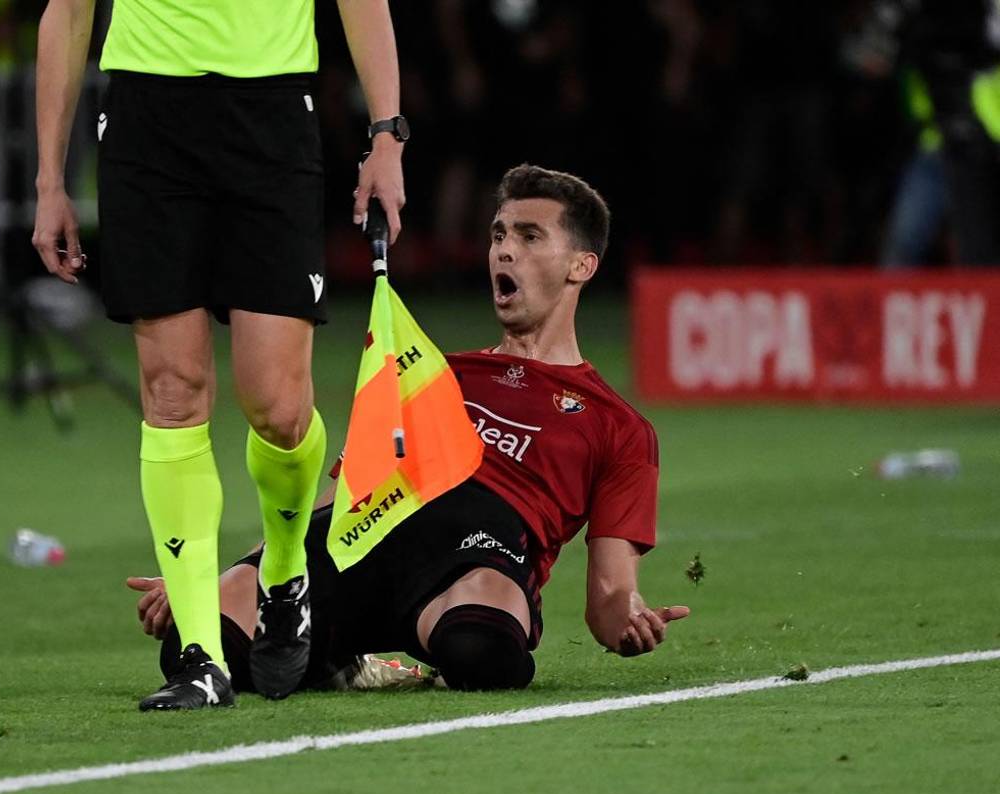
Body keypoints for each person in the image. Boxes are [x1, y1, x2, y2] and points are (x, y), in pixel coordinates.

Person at [128, 165, 689, 704]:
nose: (504, 250)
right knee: (197, 646)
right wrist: (203, 580)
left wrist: (627, 620)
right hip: (370, 528)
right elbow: (339, 497)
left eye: (529, 236)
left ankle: (401, 648)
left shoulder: (618, 426)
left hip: (475, 554)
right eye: (498, 234)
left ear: (581, 266)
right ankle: (342, 662)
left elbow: (609, 596)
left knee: (483, 654)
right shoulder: (428, 372)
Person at [31, 0, 408, 710]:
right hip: (147, 117)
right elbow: (68, 12)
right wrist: (51, 181)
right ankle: (201, 660)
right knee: (172, 392)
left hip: (269, 114)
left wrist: (386, 135)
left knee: (279, 409)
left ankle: (285, 572)